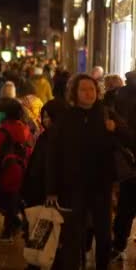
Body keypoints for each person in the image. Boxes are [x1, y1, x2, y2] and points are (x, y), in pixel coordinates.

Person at [46, 73, 131, 270]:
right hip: (72, 187)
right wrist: (51, 188)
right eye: (83, 89)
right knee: (73, 237)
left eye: (92, 89)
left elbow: (129, 139)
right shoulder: (65, 118)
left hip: (101, 185)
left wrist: (115, 128)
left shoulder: (106, 114)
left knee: (103, 235)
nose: (88, 93)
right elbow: (53, 156)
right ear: (74, 93)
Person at [0, 98, 32, 241]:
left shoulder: (2, 131)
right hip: (22, 170)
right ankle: (23, 225)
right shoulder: (24, 128)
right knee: (17, 200)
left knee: (8, 202)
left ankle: (9, 230)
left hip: (7, 172)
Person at [111, 70, 136, 259]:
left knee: (126, 205)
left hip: (126, 155)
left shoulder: (120, 93)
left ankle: (118, 245)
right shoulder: (124, 94)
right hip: (129, 153)